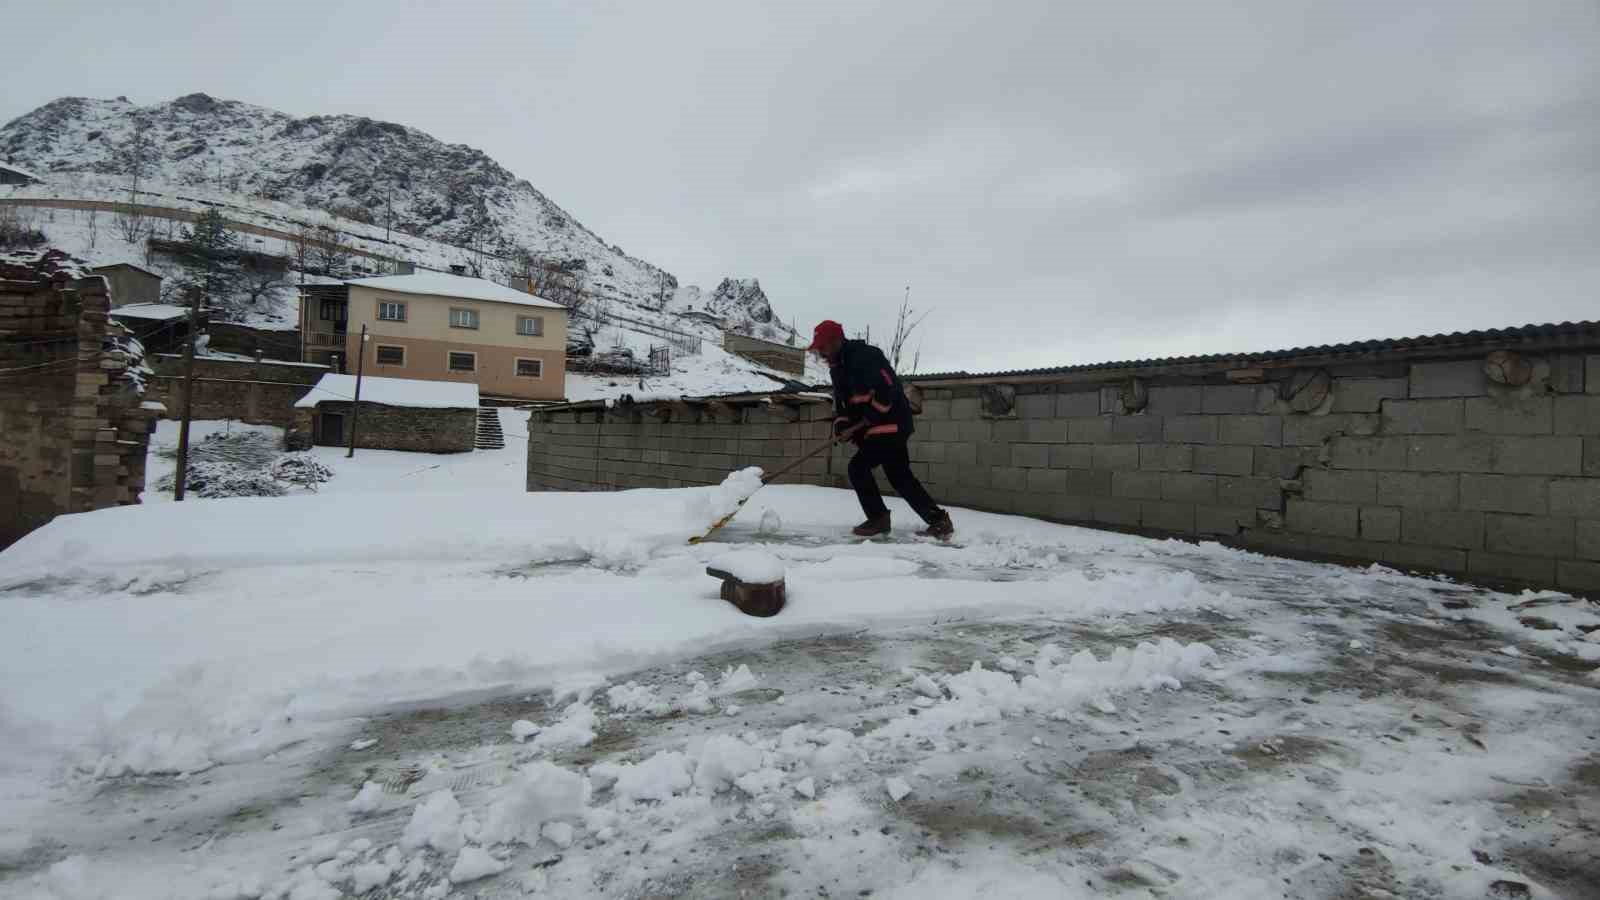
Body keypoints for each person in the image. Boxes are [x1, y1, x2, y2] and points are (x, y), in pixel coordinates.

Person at [808, 320, 954, 539]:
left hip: (891, 423)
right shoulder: (837, 370)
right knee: (899, 476)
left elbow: (889, 389)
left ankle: (878, 519)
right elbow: (842, 405)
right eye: (818, 348)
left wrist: (871, 416)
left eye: (823, 346)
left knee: (858, 468)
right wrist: (842, 426)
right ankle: (938, 520)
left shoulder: (865, 355)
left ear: (836, 341)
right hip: (873, 428)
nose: (820, 351)